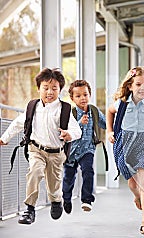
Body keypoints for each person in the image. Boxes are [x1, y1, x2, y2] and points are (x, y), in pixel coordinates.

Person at [0, 68, 81, 225]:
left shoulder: (64, 109)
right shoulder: (33, 106)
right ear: (39, 88)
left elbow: (76, 130)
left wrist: (69, 134)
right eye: (45, 88)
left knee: (53, 184)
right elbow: (18, 123)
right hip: (36, 149)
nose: (49, 92)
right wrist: (4, 138)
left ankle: (56, 201)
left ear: (60, 90)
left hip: (57, 153)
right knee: (34, 173)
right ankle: (29, 209)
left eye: (54, 88)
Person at [106, 66, 144, 237]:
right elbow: (110, 112)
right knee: (133, 184)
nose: (143, 88)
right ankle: (137, 196)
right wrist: (110, 131)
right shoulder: (122, 103)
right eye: (139, 84)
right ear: (130, 86)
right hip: (125, 144)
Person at [62, 80, 106, 214]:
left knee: (88, 171)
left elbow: (106, 124)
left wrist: (114, 131)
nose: (83, 98)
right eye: (78, 96)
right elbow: (67, 132)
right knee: (68, 178)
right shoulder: (70, 113)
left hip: (87, 149)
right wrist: (80, 123)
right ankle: (67, 198)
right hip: (71, 151)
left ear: (89, 95)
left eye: (85, 95)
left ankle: (87, 200)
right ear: (72, 98)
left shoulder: (94, 111)